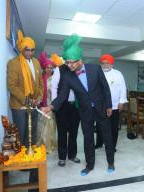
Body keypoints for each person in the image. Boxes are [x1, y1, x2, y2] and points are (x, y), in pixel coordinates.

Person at [41, 34, 114, 176]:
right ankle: (89, 165)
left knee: (107, 136)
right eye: (67, 62)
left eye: (71, 62)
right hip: (85, 111)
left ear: (80, 60)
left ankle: (111, 162)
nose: (69, 65)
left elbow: (105, 88)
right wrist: (50, 107)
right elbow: (62, 95)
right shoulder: (68, 76)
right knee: (87, 139)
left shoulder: (95, 69)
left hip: (101, 108)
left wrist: (109, 106)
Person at [7, 30, 43, 189]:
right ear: (22, 49)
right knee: (21, 133)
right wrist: (26, 99)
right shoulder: (13, 63)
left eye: (32, 50)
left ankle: (31, 159)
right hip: (20, 105)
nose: (30, 52)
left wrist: (39, 98)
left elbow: (40, 83)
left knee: (32, 132)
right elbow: (12, 86)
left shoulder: (36, 62)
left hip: (34, 104)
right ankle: (22, 163)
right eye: (27, 49)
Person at [51, 53, 81, 167]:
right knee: (62, 132)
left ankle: (72, 155)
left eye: (73, 60)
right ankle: (62, 157)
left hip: (76, 106)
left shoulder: (78, 69)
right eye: (69, 60)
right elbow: (54, 86)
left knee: (74, 132)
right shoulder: (60, 69)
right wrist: (55, 105)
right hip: (62, 106)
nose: (71, 63)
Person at [95, 54, 127, 152]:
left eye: (107, 63)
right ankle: (99, 143)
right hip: (100, 106)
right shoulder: (98, 73)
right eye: (103, 63)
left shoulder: (118, 74)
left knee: (113, 127)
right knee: (100, 126)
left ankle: (112, 146)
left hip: (115, 106)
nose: (105, 65)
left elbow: (123, 88)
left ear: (111, 64)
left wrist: (122, 102)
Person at [36, 52, 58, 154]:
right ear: (44, 68)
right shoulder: (40, 79)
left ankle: (50, 145)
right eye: (47, 67)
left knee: (51, 126)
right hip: (42, 106)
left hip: (51, 106)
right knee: (42, 127)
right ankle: (43, 145)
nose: (49, 69)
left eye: (51, 67)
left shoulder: (55, 78)